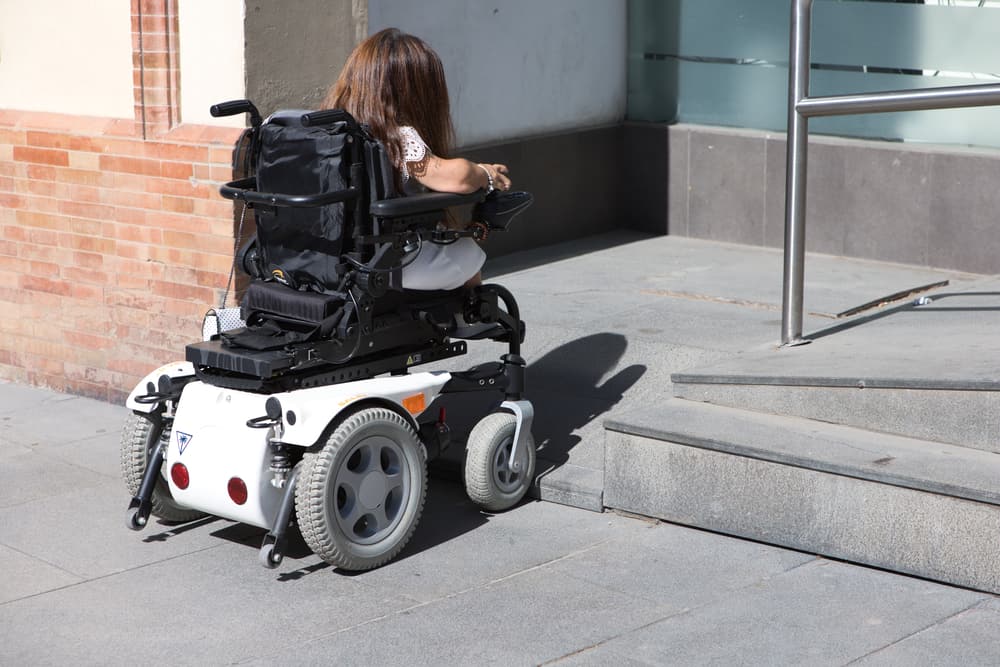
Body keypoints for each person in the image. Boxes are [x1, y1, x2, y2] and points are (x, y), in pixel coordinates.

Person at [322, 28, 512, 290]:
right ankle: (468, 315)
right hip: (392, 262)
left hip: (334, 258)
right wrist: (485, 174)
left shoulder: (330, 127)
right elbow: (457, 177)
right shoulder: (396, 138)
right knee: (467, 251)